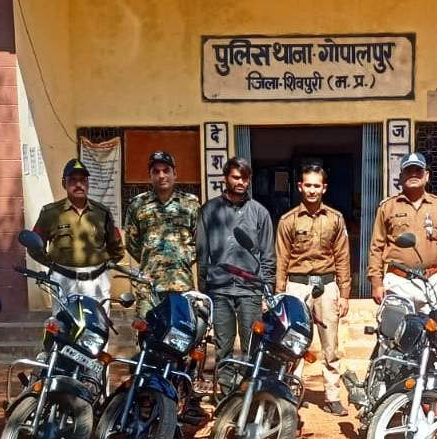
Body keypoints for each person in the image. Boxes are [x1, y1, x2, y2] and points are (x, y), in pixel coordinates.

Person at [274, 162, 351, 416]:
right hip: (297, 286)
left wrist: (344, 294)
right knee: (293, 342)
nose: (312, 190)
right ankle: (293, 392)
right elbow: (282, 259)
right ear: (300, 186)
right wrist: (280, 295)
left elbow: (342, 257)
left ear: (324, 188)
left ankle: (332, 396)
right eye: (307, 185)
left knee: (331, 344)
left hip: (327, 286)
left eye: (317, 186)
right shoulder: (288, 220)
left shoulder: (335, 219)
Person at [198, 157, 276, 367]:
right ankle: (225, 386)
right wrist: (204, 290)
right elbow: (202, 253)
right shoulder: (209, 211)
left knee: (252, 347)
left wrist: (267, 291)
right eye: (235, 177)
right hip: (219, 289)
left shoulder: (260, 212)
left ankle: (248, 386)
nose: (240, 182)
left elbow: (268, 255)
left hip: (250, 290)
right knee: (223, 347)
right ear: (225, 178)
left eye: (245, 178)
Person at [368, 152, 437, 312]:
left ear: (427, 175)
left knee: (435, 326)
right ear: (401, 176)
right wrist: (376, 282)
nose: (414, 174)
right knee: (396, 327)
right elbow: (376, 248)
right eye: (409, 171)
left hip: (433, 281)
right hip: (398, 282)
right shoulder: (387, 207)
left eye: (418, 170)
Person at [30, 159, 125, 303]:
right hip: (63, 281)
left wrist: (101, 267)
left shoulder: (102, 213)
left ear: (88, 184)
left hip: (96, 282)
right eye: (73, 180)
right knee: (64, 318)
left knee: (98, 318)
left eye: (83, 180)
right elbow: (34, 246)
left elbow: (117, 248)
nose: (79, 185)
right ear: (64, 183)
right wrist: (53, 266)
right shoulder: (50, 213)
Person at [123, 150, 202, 317]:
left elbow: (199, 241)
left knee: (182, 331)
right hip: (148, 286)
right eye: (156, 171)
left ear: (175, 173)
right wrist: (152, 259)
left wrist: (183, 257)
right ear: (150, 176)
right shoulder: (137, 205)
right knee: (147, 330)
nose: (161, 175)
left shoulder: (190, 204)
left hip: (182, 284)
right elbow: (131, 242)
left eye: (166, 170)